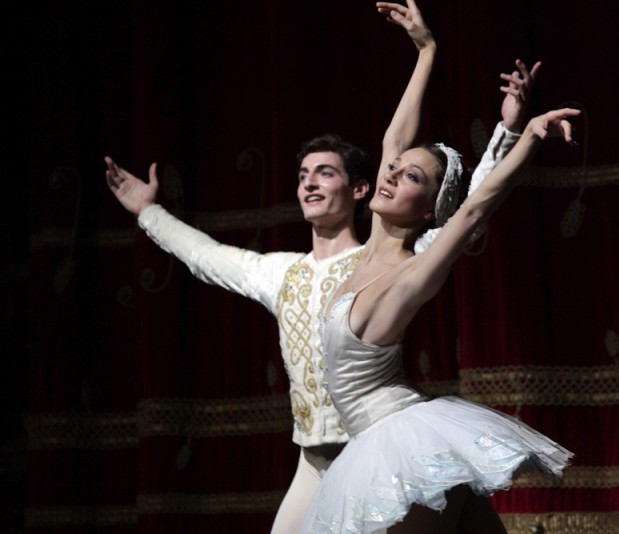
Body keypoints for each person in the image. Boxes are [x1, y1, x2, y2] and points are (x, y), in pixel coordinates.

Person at [104, 1, 535, 531]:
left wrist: (510, 133)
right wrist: (150, 212)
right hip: (315, 459)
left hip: (382, 445)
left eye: (325, 173)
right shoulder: (282, 273)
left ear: (358, 188)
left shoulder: (392, 255)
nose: (309, 182)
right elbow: (205, 257)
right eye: (303, 173)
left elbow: (460, 208)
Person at [298, 2, 580, 532]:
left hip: (401, 446)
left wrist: (529, 136)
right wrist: (426, 51)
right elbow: (395, 141)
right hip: (390, 443)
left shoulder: (412, 270)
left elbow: (473, 206)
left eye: (411, 179)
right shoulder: (368, 252)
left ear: (429, 209)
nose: (391, 174)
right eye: (395, 170)